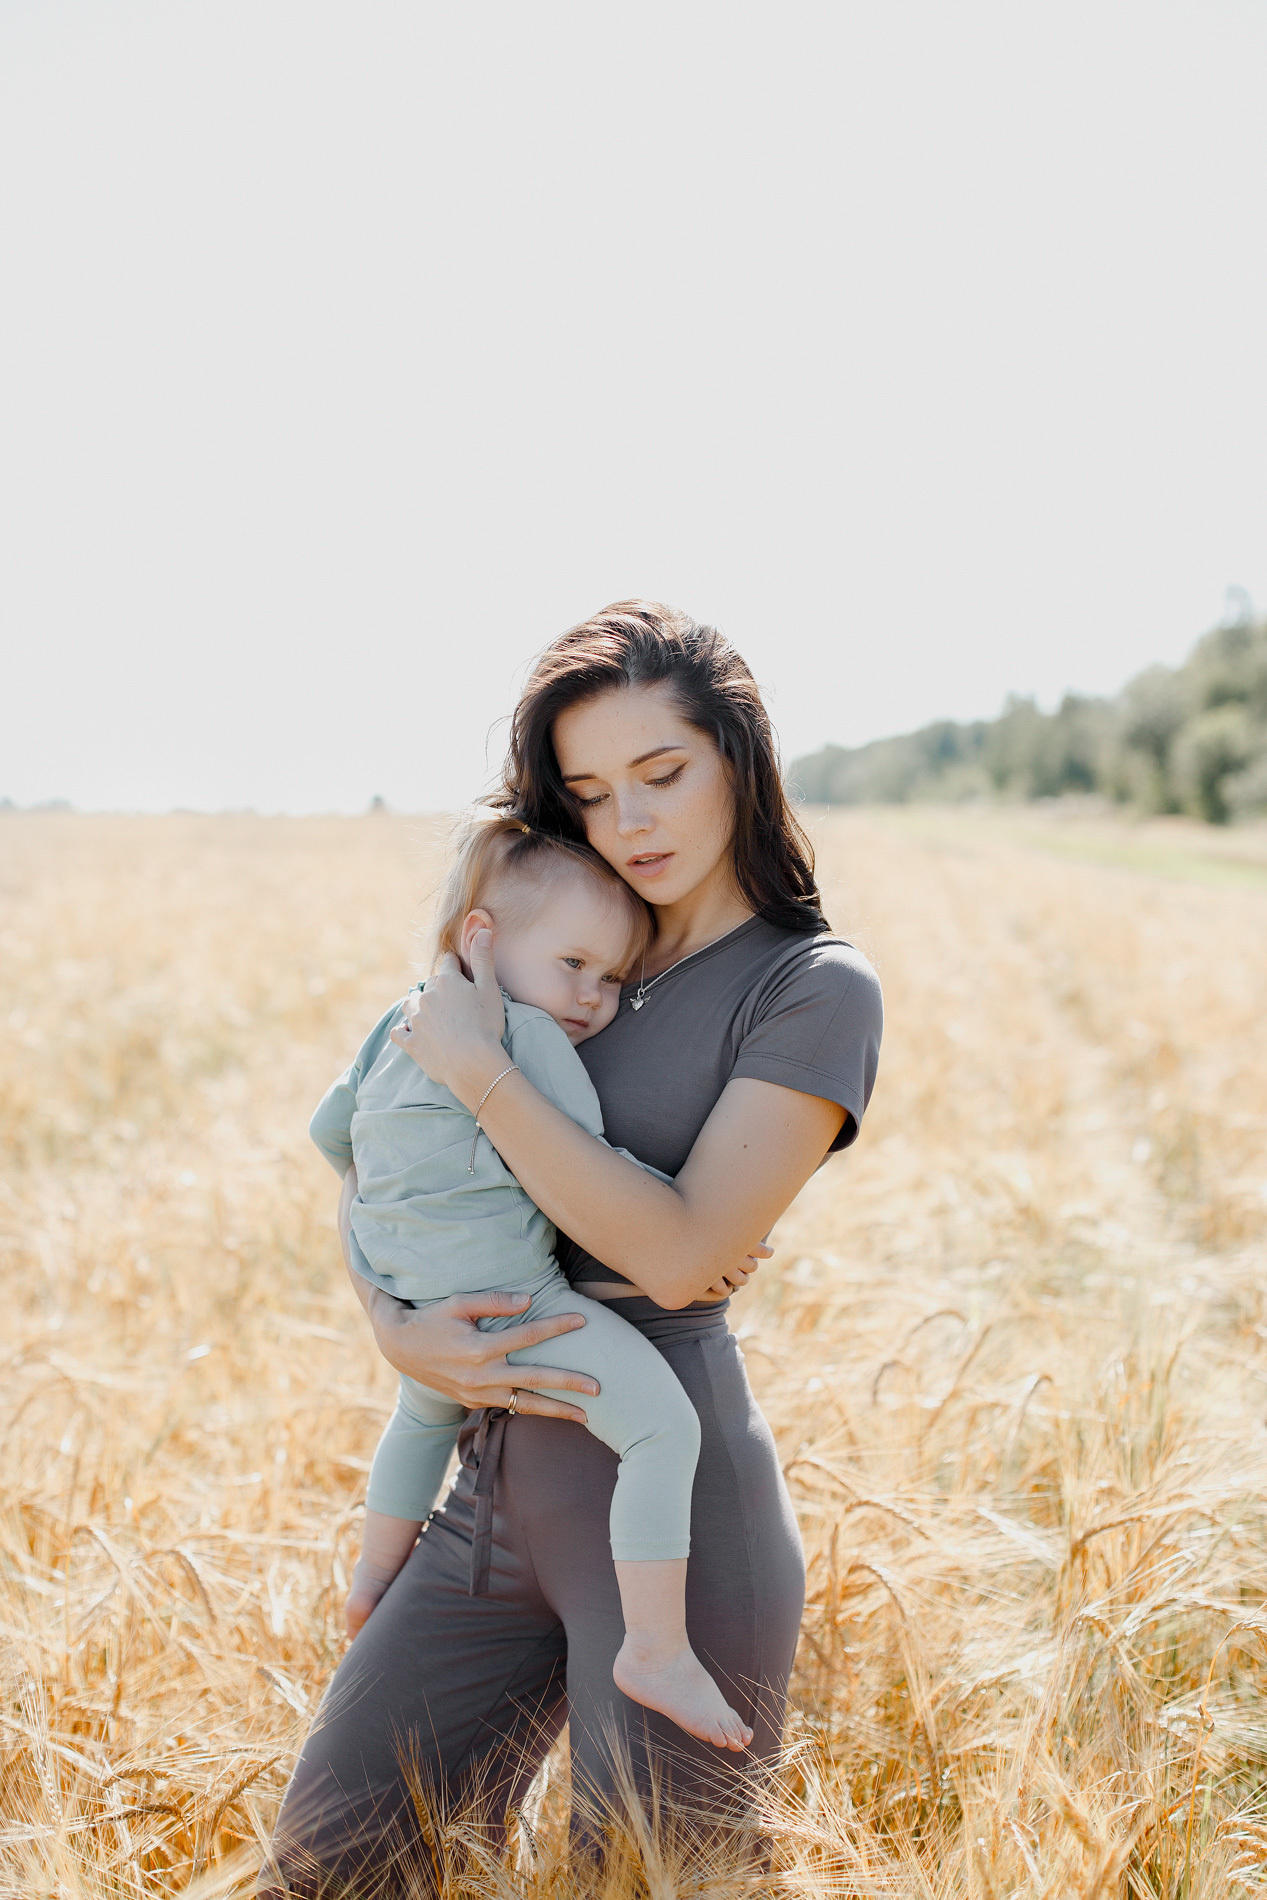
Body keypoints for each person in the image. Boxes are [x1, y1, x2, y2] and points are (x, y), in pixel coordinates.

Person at [263, 601, 883, 1894]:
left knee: (643, 1881)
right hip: (489, 1490)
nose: (630, 821)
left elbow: (671, 1258)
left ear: (739, 763)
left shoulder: (809, 987)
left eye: (661, 774)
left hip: (673, 1519)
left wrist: (488, 1075)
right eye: (592, 792)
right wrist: (386, 1313)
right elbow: (392, 1143)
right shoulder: (565, 931)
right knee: (334, 1863)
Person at [314, 811, 753, 1749]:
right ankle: (655, 1646)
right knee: (660, 1426)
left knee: (419, 1416)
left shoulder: (400, 1021)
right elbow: (578, 1173)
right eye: (574, 965)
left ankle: (374, 1580)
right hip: (522, 1306)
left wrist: (401, 1217)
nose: (591, 998)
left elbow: (329, 1136)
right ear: (483, 938)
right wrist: (707, 1226)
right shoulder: (530, 1040)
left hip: (422, 1304)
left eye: (611, 979)